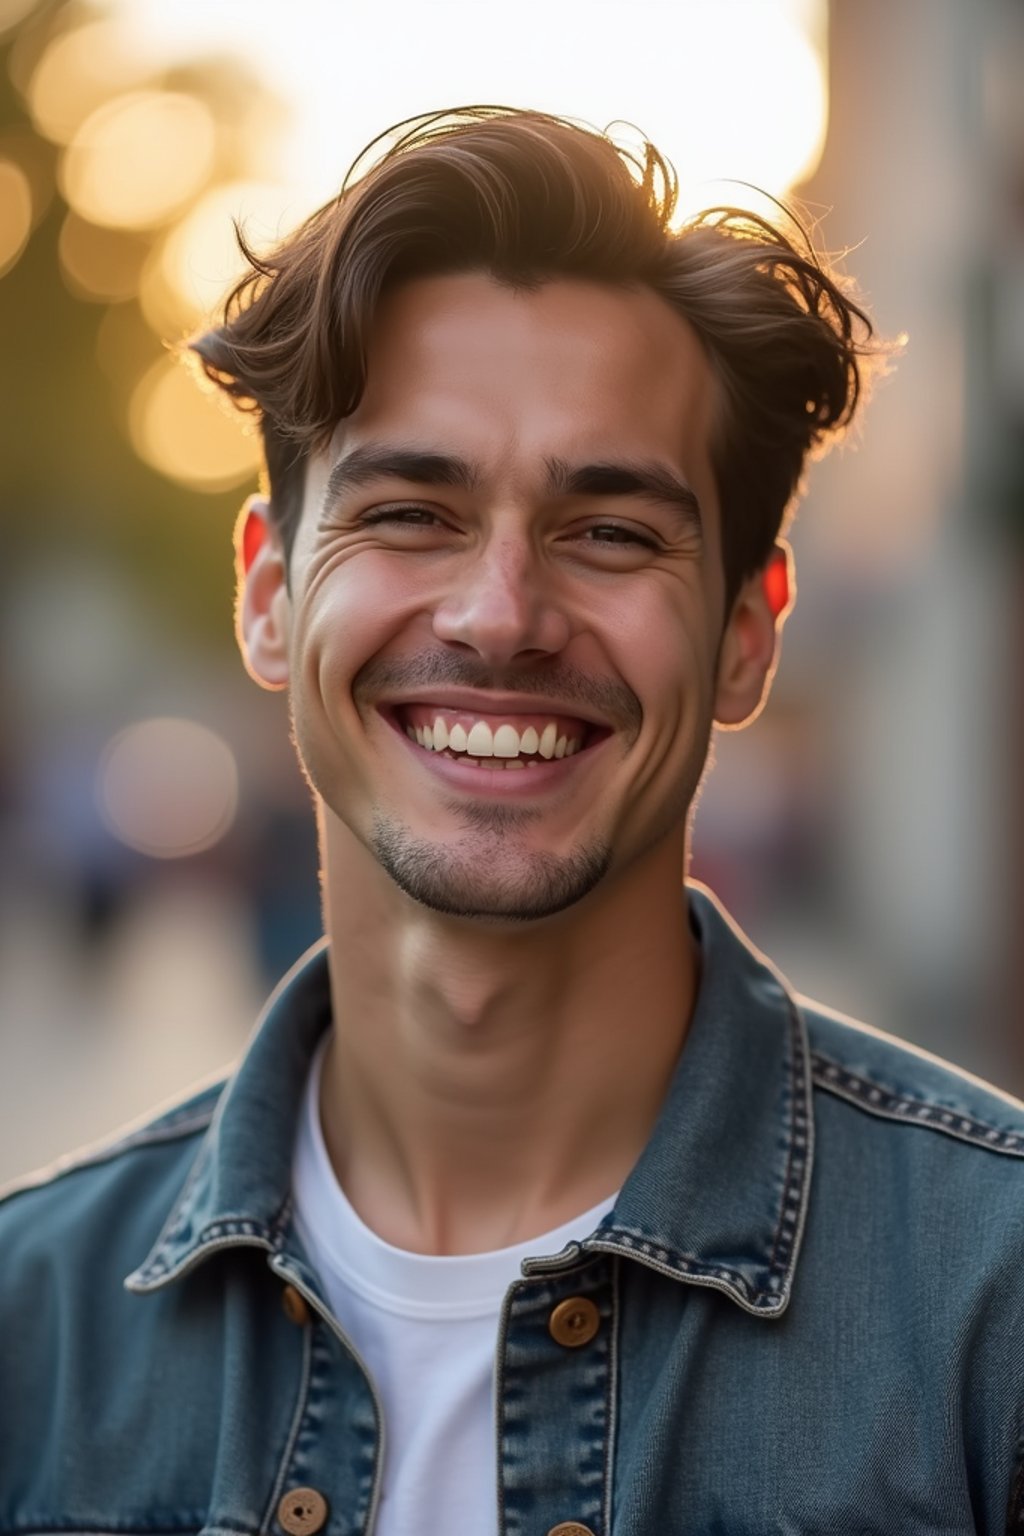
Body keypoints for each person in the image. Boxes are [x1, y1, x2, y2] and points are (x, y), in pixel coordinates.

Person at [2, 104, 1022, 1534]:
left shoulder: (996, 1317)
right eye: (411, 511)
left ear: (744, 635)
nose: (500, 616)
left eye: (608, 531)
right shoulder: (28, 1337)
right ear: (270, 597)